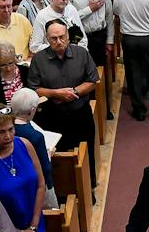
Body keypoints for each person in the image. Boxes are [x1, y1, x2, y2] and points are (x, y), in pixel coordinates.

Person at [28, 19, 99, 186]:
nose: (58, 41)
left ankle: (89, 187)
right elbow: (34, 88)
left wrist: (73, 92)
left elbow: (93, 80)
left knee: (86, 153)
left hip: (80, 114)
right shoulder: (39, 59)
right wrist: (55, 94)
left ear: (68, 36)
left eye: (62, 37)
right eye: (53, 38)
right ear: (47, 38)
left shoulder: (81, 53)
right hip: (52, 117)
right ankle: (64, 190)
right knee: (58, 158)